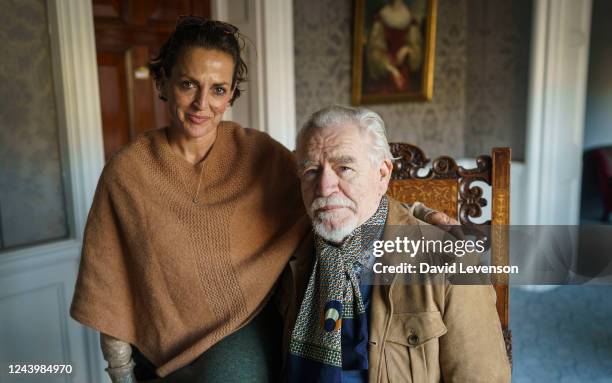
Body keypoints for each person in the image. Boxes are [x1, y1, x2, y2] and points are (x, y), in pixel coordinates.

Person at [70, 18, 452, 383]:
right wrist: (120, 373)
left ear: (232, 94)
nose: (202, 103)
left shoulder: (259, 154)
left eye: (218, 89)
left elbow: (339, 193)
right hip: (155, 342)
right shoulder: (126, 172)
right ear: (163, 81)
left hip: (241, 327)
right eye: (188, 83)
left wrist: (420, 212)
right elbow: (109, 283)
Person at [278, 105, 511, 382]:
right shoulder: (288, 250)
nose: (324, 187)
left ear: (382, 174)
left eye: (344, 168)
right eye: (312, 171)